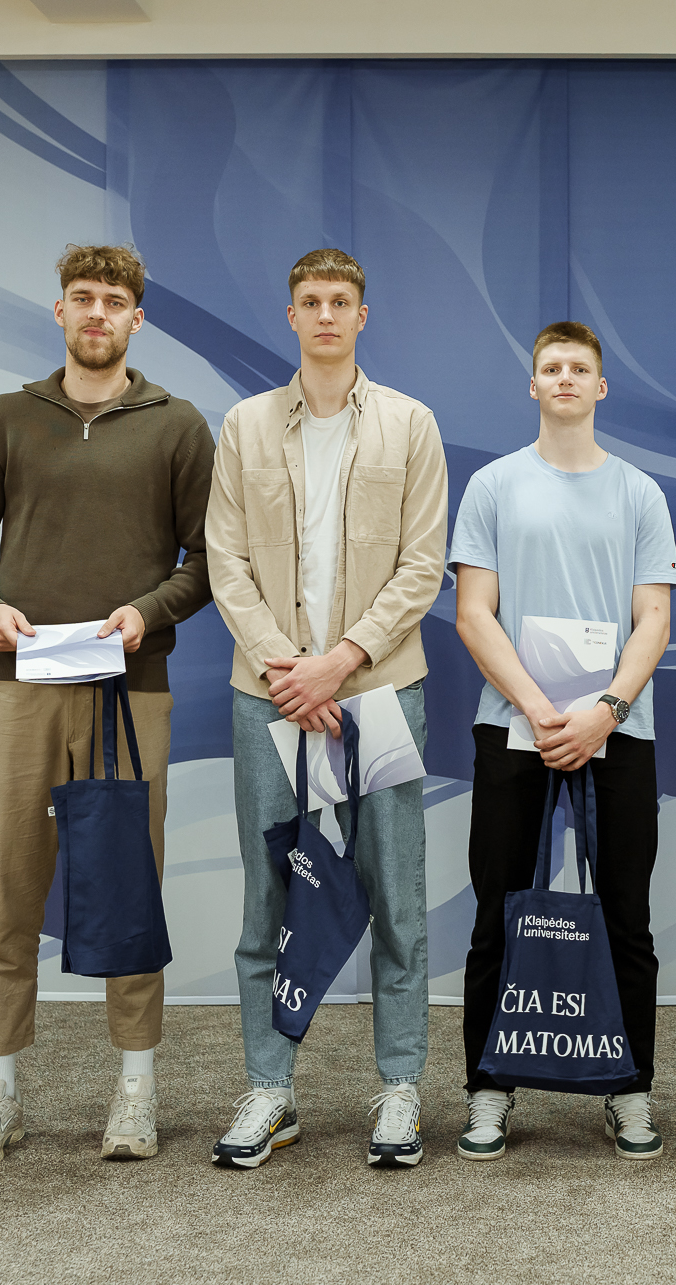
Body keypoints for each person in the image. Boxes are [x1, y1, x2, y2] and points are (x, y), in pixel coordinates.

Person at [0, 244, 215, 1167]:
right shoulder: (6, 417)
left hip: (128, 695)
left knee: (127, 893)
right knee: (8, 894)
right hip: (16, 690)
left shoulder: (177, 425)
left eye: (114, 300)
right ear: (59, 311)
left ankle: (136, 1089)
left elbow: (208, 561)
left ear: (137, 319)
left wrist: (147, 612)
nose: (97, 312)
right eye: (82, 297)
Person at [207, 248, 448, 1170]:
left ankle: (400, 1087)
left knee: (397, 895)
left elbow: (422, 565)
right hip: (270, 696)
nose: (325, 315)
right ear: (291, 315)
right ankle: (270, 1089)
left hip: (378, 691)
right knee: (268, 897)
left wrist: (341, 661)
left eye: (340, 301)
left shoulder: (410, 423)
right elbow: (226, 560)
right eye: (310, 301)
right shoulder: (244, 425)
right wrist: (288, 669)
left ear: (361, 316)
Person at [448, 321, 676, 1161]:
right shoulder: (494, 486)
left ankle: (630, 1087)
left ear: (601, 386)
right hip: (517, 724)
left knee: (626, 917)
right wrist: (540, 707)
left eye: (580, 367)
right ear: (534, 385)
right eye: (552, 367)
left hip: (618, 727)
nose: (566, 378)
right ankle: (487, 1086)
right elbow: (474, 611)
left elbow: (653, 617)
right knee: (497, 913)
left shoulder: (639, 493)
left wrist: (605, 709)